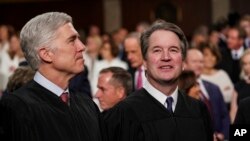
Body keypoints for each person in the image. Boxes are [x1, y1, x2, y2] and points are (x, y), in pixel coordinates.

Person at [0, 12, 104, 141]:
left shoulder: (87, 105)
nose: (82, 47)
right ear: (46, 54)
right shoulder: (17, 107)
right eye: (72, 40)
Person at [104, 20, 213, 141]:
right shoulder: (123, 114)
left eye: (173, 50)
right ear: (144, 62)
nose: (166, 57)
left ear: (183, 62)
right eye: (157, 50)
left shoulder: (198, 110)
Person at [184, 48, 230, 140]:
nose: (199, 65)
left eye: (201, 62)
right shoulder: (179, 89)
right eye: (194, 61)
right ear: (184, 64)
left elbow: (224, 115)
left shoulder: (214, 87)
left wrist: (223, 135)